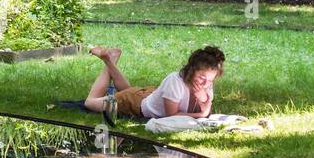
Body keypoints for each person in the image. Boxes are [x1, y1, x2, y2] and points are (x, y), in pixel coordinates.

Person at [83, 45, 225, 121]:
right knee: (90, 103)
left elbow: (206, 110)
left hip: (147, 96)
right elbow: (171, 117)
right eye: (202, 77)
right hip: (135, 105)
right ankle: (107, 59)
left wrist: (204, 100)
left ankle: (112, 58)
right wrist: (202, 114)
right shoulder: (175, 81)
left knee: (128, 91)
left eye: (211, 80)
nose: (206, 83)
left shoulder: (206, 84)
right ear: (192, 69)